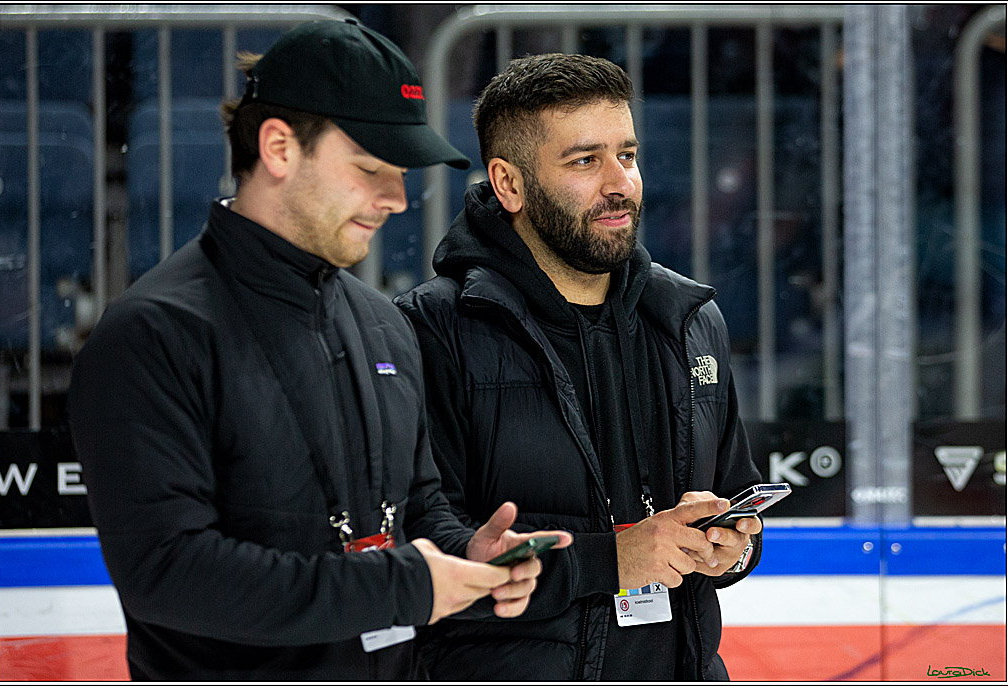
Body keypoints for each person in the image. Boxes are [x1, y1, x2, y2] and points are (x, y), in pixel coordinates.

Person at [67, 21, 570, 681]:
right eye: (370, 169)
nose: (395, 200)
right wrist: (405, 585)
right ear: (278, 146)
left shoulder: (384, 323)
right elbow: (168, 574)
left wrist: (467, 559)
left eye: (400, 173)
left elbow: (415, 513)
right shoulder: (154, 334)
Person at [395, 53, 763, 681]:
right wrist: (615, 560)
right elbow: (423, 556)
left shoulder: (691, 319)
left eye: (628, 154)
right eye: (584, 161)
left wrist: (731, 548)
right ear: (508, 184)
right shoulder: (433, 330)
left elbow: (737, 499)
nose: (620, 182)